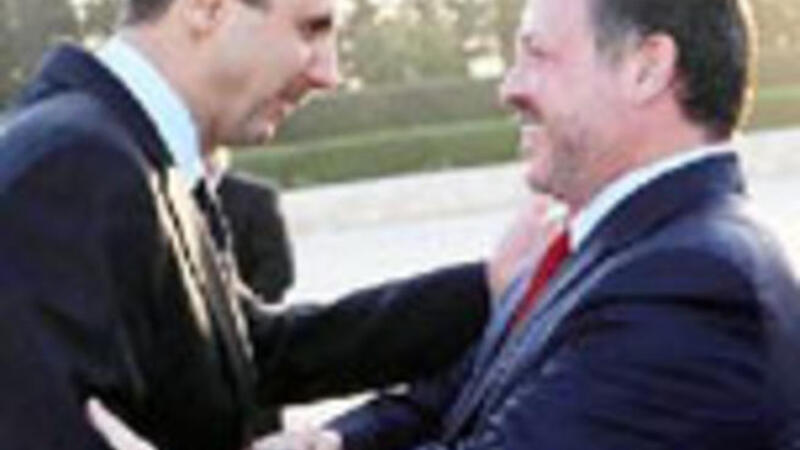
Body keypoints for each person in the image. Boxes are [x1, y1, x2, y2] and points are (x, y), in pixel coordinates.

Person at [265, 0, 800, 448]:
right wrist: (334, 441)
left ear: (646, 69)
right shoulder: (603, 244)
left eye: (537, 55)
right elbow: (457, 397)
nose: (510, 88)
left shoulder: (693, 282)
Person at [0, 0, 502, 448]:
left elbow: (249, 354)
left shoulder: (129, 155)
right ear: (205, 8)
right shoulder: (72, 168)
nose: (329, 74)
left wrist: (494, 286)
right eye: (310, 28)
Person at [207, 149, 294, 305]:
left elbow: (278, 270)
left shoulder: (257, 197)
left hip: (251, 309)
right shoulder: (173, 198)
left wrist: (244, 302)